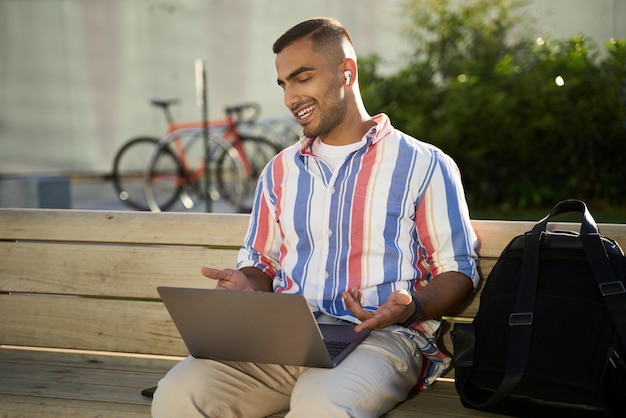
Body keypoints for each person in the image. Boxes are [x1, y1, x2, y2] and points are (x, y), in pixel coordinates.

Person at [152, 17, 479, 418]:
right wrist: (247, 285)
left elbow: (458, 272)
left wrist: (410, 306)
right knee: (177, 395)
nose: (291, 97)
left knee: (321, 406)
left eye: (301, 78)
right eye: (284, 84)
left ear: (347, 71)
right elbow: (263, 264)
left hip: (381, 338)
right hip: (282, 342)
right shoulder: (279, 170)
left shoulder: (424, 164)